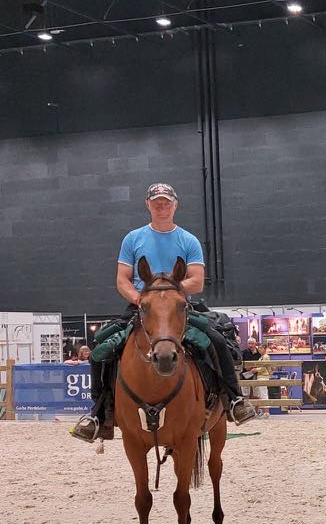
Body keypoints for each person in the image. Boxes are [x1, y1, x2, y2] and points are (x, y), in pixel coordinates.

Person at [70, 182, 256, 442]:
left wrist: (168, 295)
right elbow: (122, 279)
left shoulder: (188, 240)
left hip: (178, 307)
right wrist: (141, 298)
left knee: (216, 341)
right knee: (101, 351)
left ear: (175, 205)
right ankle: (99, 414)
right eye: (157, 202)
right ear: (148, 204)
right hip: (142, 306)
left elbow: (197, 281)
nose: (162, 206)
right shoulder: (133, 239)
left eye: (166, 202)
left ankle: (234, 399)